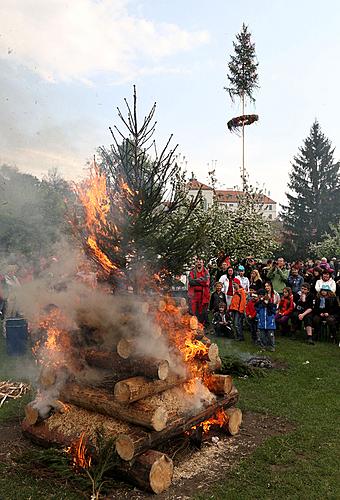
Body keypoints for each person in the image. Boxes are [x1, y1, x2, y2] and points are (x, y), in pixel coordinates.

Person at [188, 257, 210, 326]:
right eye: (198, 262)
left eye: (200, 262)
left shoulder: (206, 271)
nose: (199, 263)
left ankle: (201, 325)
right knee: (193, 310)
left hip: (203, 294)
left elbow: (206, 282)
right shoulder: (192, 271)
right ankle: (193, 325)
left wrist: (196, 280)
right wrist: (200, 280)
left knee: (202, 311)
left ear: (203, 263)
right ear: (196, 263)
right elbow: (191, 282)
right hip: (194, 294)